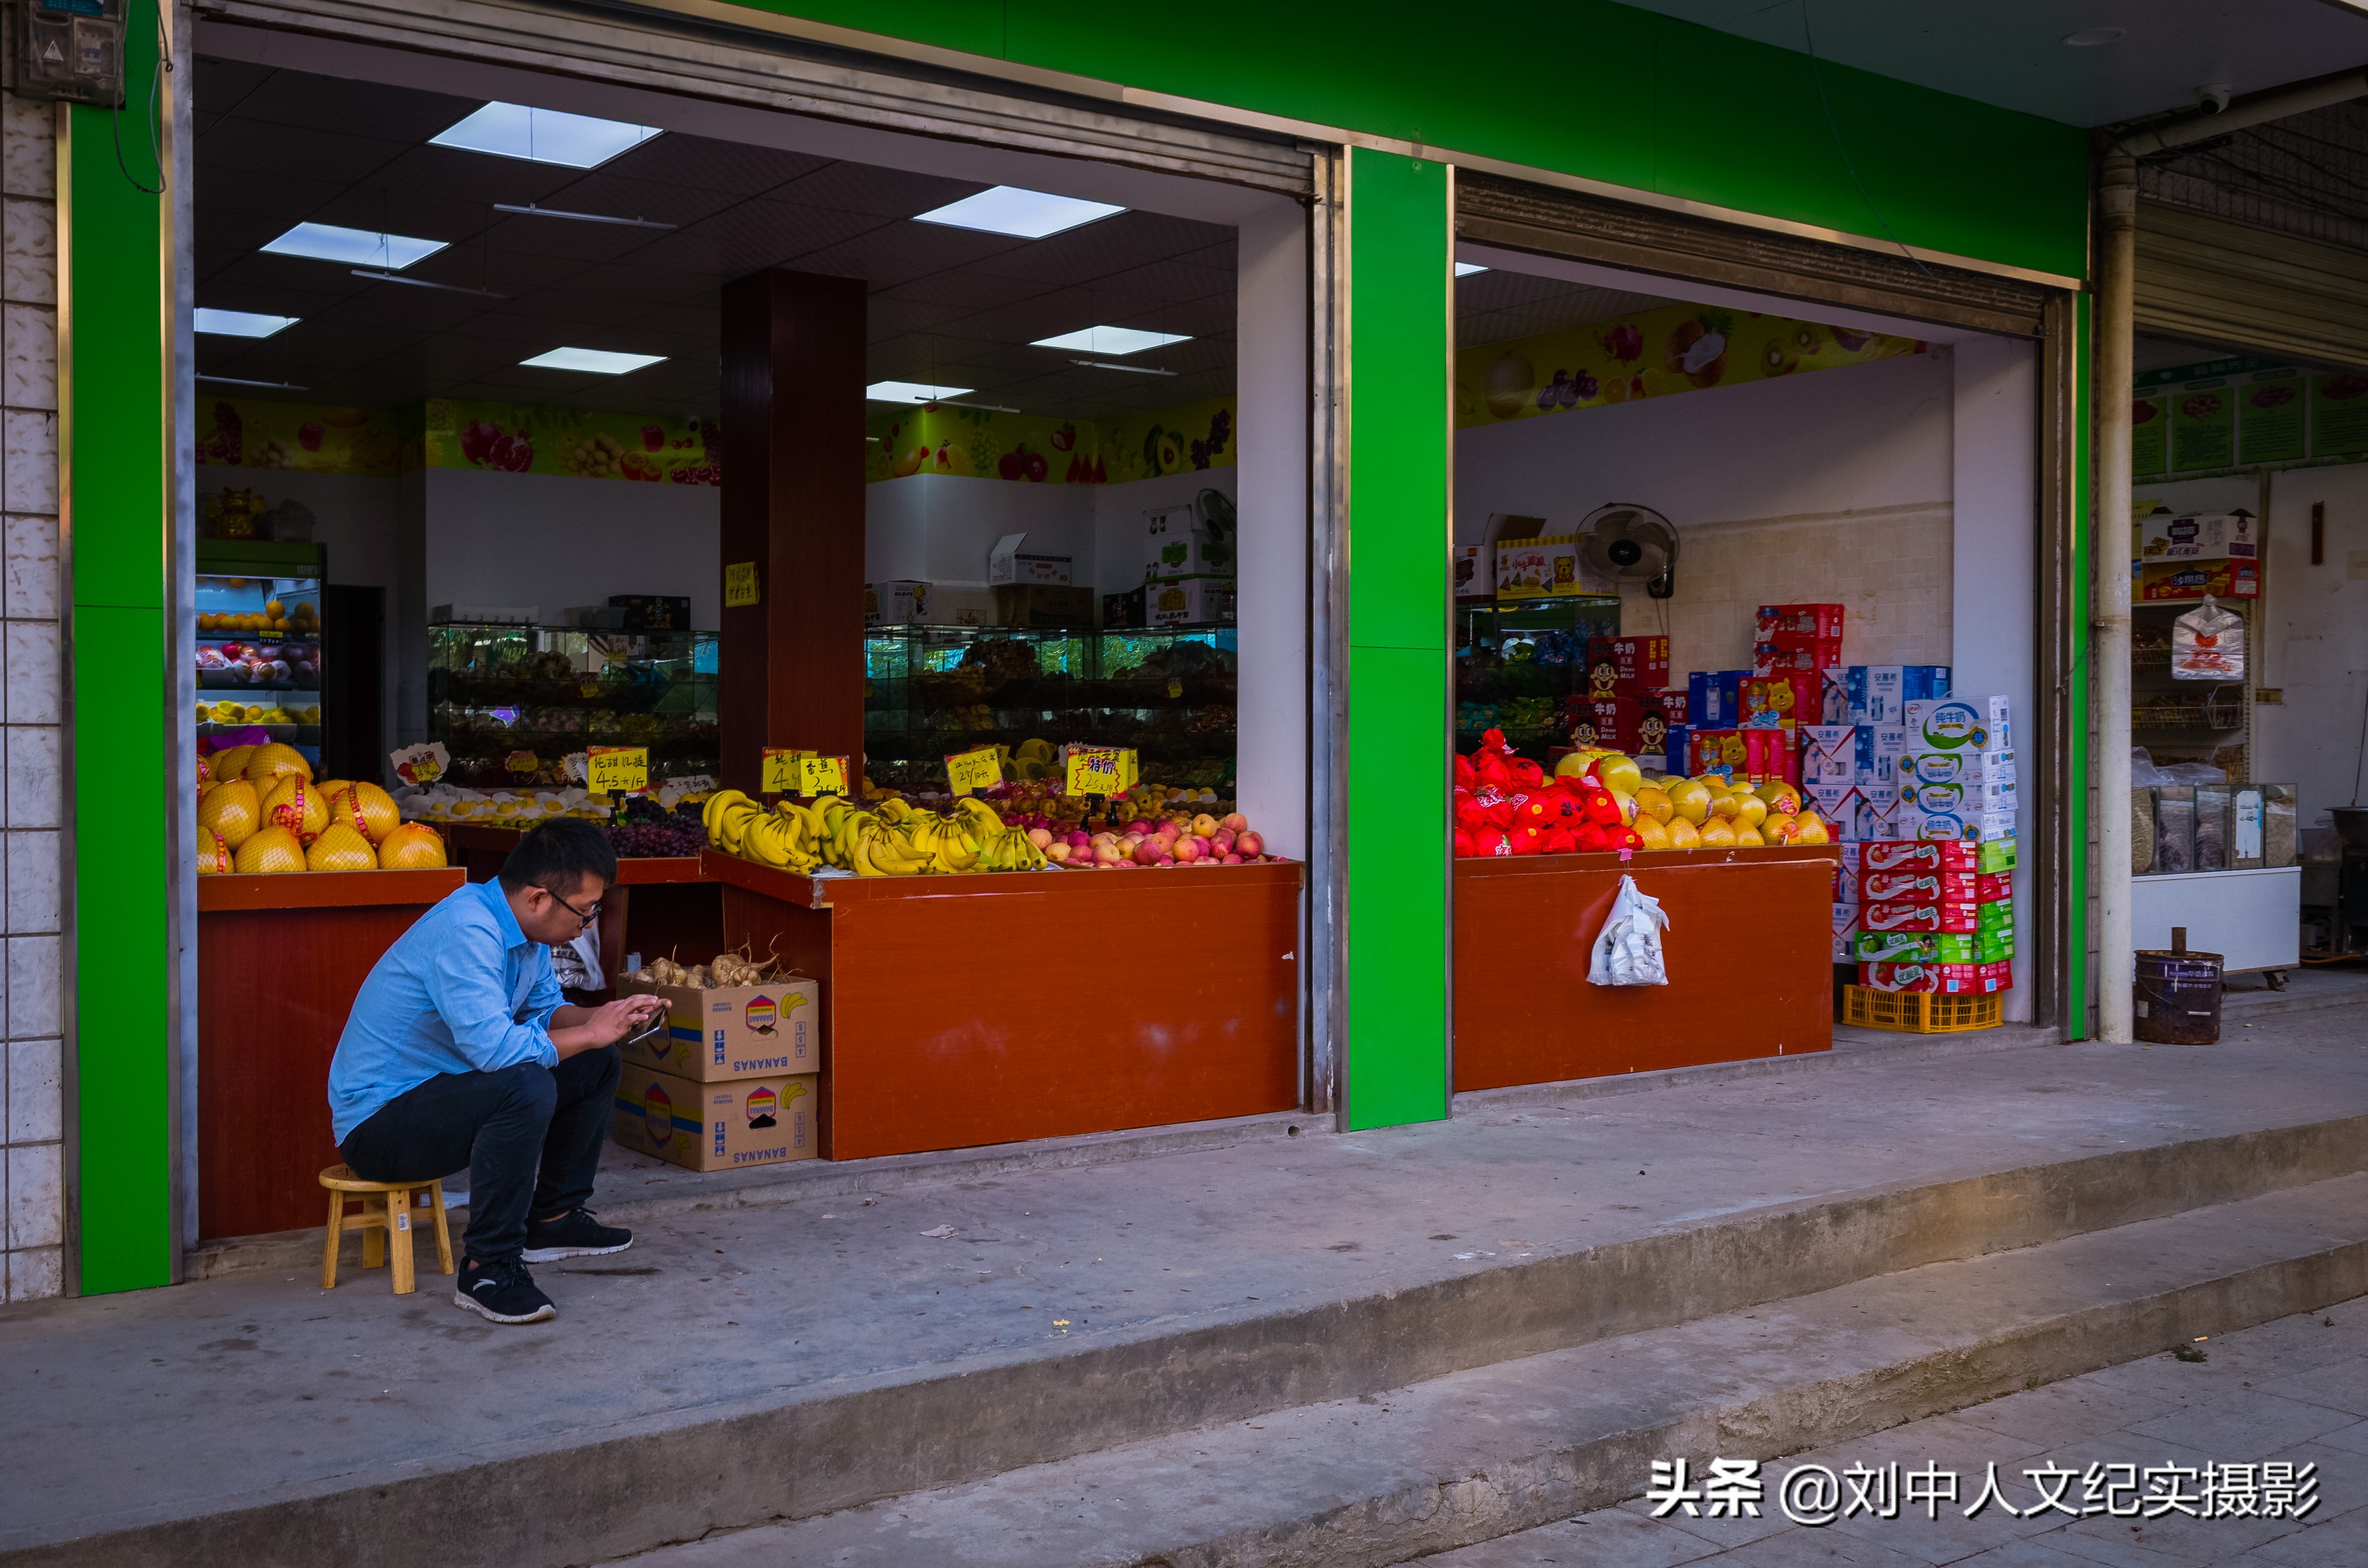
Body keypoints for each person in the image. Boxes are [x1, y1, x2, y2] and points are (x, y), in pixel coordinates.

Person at [329, 817, 666, 1324]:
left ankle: (553, 1219)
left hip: (445, 1095)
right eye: (586, 909)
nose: (589, 922)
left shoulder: (524, 933)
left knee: (595, 1060)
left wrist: (608, 1020)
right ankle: (488, 1266)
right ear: (538, 898)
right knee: (524, 1083)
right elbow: (496, 1053)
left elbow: (547, 1013)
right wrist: (591, 1031)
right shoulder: (469, 930)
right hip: (380, 1126)